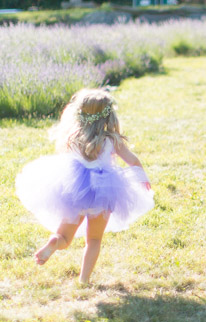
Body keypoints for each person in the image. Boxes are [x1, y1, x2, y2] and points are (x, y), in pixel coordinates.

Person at [16, 88, 154, 283]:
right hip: (105, 192)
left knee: (65, 236)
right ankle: (84, 280)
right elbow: (133, 161)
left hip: (75, 190)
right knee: (94, 239)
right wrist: (143, 178)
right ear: (109, 115)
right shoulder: (112, 140)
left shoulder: (72, 138)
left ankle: (55, 242)